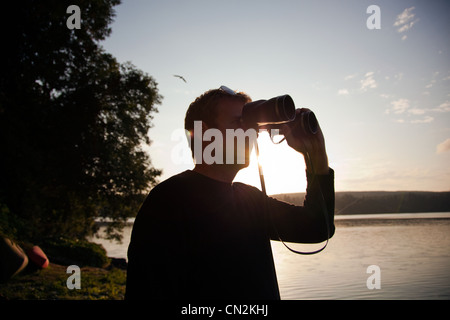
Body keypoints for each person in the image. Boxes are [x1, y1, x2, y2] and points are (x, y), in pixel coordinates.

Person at [125, 86, 335, 300]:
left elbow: (317, 228)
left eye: (252, 124)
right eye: (239, 122)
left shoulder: (249, 198)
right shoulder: (168, 200)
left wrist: (316, 155)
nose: (250, 133)